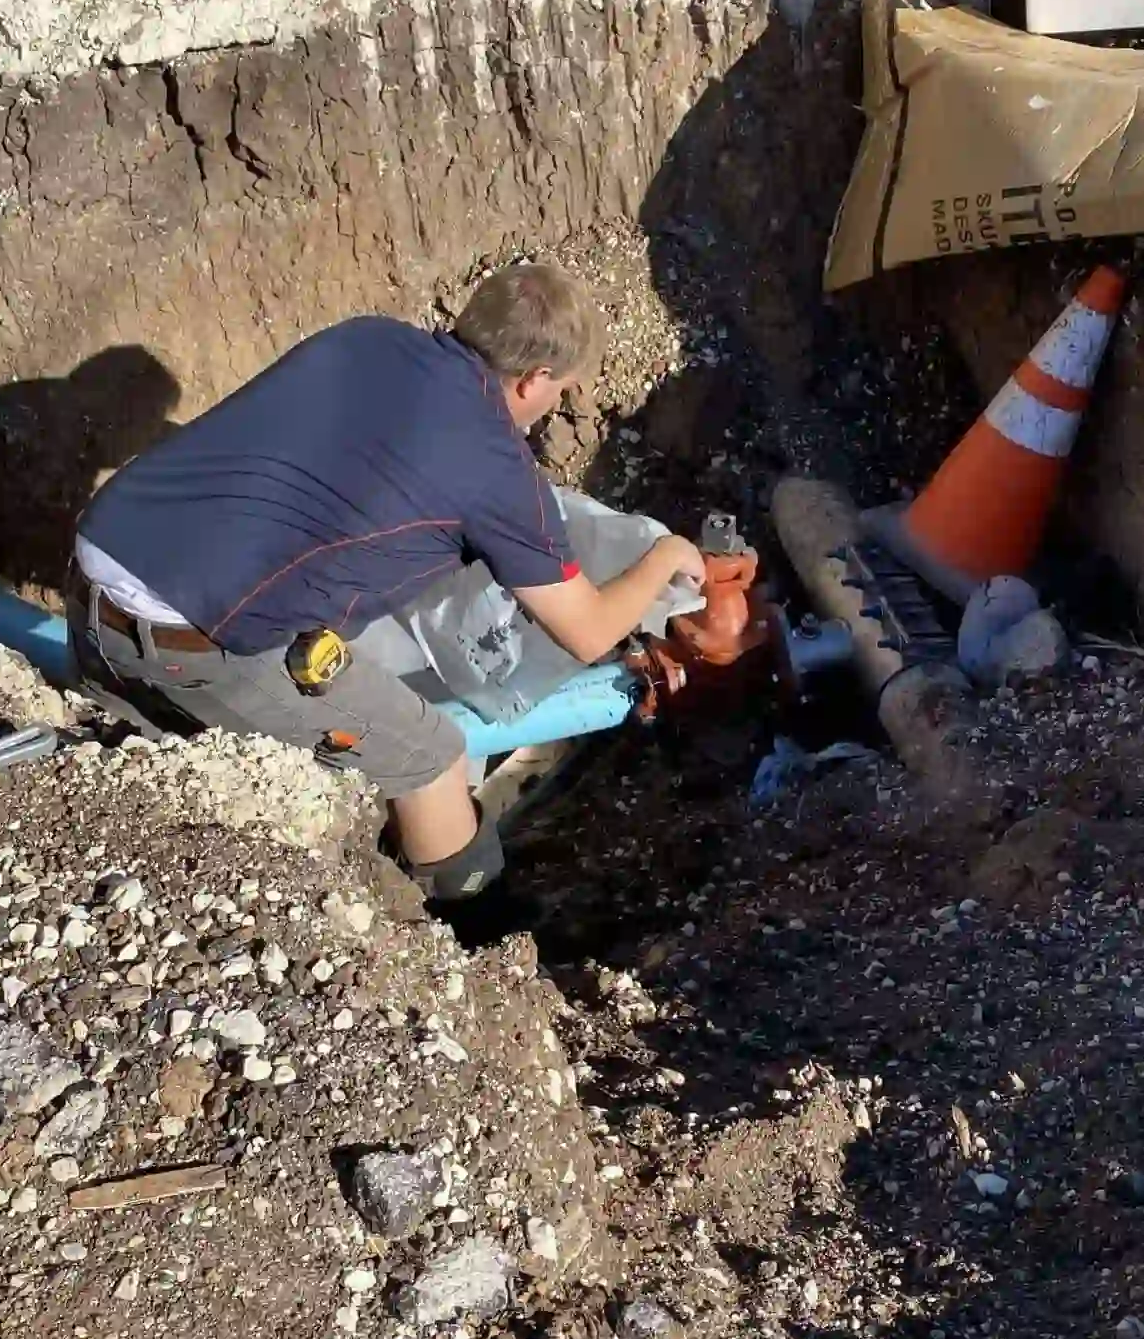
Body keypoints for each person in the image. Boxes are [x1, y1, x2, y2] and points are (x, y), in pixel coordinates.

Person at [68, 264, 703, 933]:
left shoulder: (366, 339)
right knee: (429, 751)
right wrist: (667, 554)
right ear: (532, 380)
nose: (556, 408)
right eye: (562, 391)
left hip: (98, 559)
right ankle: (478, 929)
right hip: (182, 638)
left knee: (136, 750)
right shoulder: (493, 467)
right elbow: (588, 632)